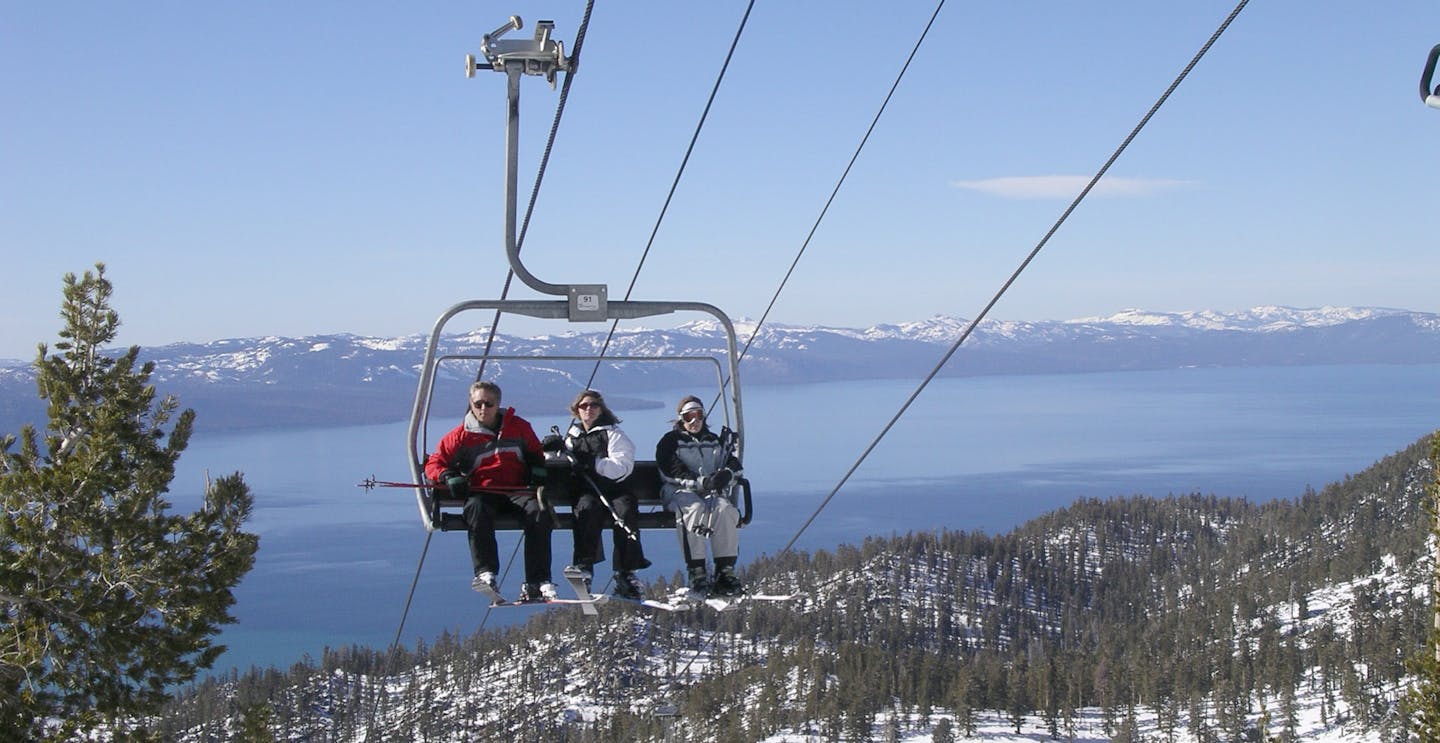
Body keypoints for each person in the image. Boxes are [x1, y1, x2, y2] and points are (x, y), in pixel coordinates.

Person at [425, 381, 555, 603]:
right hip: (483, 492)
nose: (483, 408)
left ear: (498, 404)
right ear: (471, 404)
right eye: (478, 403)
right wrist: (447, 476)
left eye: (489, 403)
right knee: (476, 509)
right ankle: (486, 572)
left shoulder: (519, 427)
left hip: (516, 491)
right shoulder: (460, 436)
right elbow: (434, 463)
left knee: (540, 512)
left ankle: (537, 580)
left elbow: (535, 452)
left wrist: (538, 469)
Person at [544, 389, 651, 599]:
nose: (589, 410)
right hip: (587, 491)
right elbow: (555, 462)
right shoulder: (572, 437)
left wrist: (594, 464)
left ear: (601, 409)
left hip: (614, 489)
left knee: (625, 510)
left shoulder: (613, 433)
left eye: (593, 405)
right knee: (586, 509)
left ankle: (626, 571)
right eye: (584, 406)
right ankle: (584, 567)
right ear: (577, 410)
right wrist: (549, 449)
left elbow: (622, 467)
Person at [655, 395, 745, 596]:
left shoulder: (714, 441)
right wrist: (701, 481)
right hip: (679, 492)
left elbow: (735, 466)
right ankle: (697, 571)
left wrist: (725, 475)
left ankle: (725, 570)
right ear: (681, 419)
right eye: (689, 417)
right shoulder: (671, 441)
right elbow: (671, 470)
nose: (694, 421)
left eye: (698, 415)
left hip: (710, 495)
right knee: (693, 510)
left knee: (725, 510)